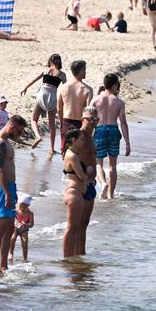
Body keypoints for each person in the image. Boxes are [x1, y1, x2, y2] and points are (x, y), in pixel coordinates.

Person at [0, 114, 26, 276]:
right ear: (12, 127)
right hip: (2, 189)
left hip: (9, 187)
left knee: (9, 228)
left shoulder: (6, 141)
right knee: (0, 227)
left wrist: (12, 191)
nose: (20, 136)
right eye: (19, 132)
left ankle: (3, 265)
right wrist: (7, 194)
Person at [61, 109, 98, 258]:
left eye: (96, 119)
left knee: (84, 224)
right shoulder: (77, 139)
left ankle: (80, 255)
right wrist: (87, 173)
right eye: (91, 119)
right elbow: (75, 168)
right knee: (74, 226)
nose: (94, 122)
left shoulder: (90, 138)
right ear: (83, 118)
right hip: (78, 187)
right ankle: (69, 256)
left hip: (90, 185)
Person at [92, 72, 131, 199]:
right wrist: (127, 143)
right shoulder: (119, 102)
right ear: (114, 85)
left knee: (98, 162)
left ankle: (103, 184)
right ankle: (111, 195)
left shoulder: (96, 100)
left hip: (100, 130)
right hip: (114, 131)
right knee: (112, 165)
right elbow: (123, 124)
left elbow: (88, 117)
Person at [22, 54, 64, 155]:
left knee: (34, 120)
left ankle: (37, 136)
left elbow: (34, 80)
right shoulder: (62, 74)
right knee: (52, 125)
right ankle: (52, 148)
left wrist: (25, 88)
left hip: (42, 95)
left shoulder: (46, 70)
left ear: (50, 61)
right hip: (52, 97)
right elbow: (65, 89)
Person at [57, 59, 93, 152]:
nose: (85, 72)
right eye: (84, 70)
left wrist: (62, 123)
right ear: (80, 71)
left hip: (66, 122)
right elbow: (89, 112)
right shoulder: (87, 90)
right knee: (80, 156)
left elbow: (59, 109)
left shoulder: (63, 87)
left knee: (65, 154)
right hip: (80, 124)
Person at [13, 196, 34, 262]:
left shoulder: (30, 213)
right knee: (13, 238)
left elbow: (31, 225)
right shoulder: (16, 211)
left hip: (24, 229)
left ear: (27, 205)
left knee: (25, 243)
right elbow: (11, 220)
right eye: (20, 207)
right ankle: (11, 253)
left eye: (24, 207)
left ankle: (25, 258)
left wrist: (26, 224)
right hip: (15, 228)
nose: (22, 209)